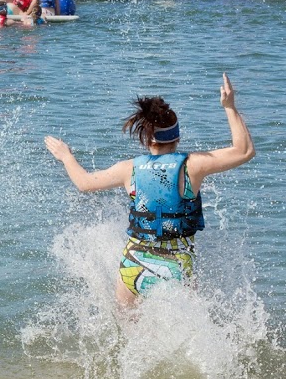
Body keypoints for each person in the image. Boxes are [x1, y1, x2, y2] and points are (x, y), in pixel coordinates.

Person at [44, 74, 255, 308]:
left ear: (147, 140)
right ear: (177, 137)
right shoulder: (192, 166)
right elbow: (244, 151)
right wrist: (230, 107)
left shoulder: (128, 169)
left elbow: (84, 183)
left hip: (133, 264)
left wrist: (66, 156)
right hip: (175, 267)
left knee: (128, 339)